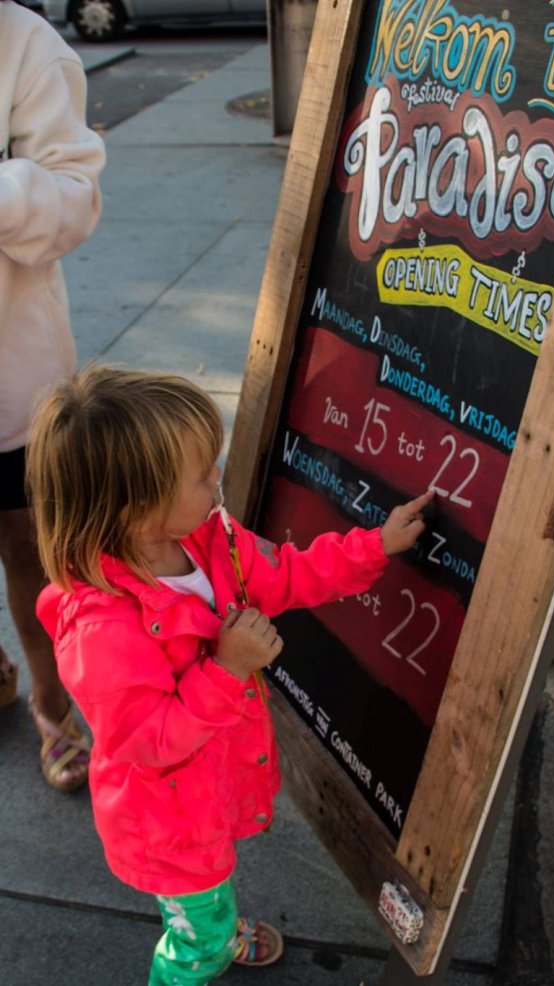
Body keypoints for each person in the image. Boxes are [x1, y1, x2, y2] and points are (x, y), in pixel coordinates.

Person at [27, 365, 434, 981]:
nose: (216, 478)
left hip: (205, 792)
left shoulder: (206, 539)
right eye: (200, 475)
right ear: (140, 513)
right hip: (168, 822)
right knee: (198, 943)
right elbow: (149, 740)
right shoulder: (102, 631)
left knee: (207, 895)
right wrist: (225, 668)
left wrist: (374, 546)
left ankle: (211, 921)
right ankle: (201, 948)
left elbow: (287, 574)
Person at [0, 0, 105, 789]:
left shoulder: (26, 44)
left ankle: (52, 704)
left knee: (31, 546)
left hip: (13, 370)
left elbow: (77, 201)